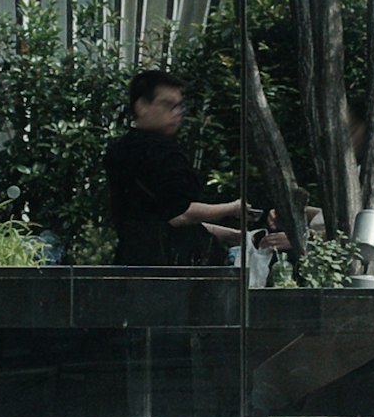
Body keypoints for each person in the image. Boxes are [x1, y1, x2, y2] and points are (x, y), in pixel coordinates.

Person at [104, 69, 272, 268]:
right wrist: (232, 208)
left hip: (136, 263)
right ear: (142, 106)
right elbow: (179, 214)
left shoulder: (120, 150)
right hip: (170, 269)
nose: (176, 113)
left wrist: (235, 236)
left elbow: (165, 218)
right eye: (167, 105)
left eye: (178, 106)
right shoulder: (157, 154)